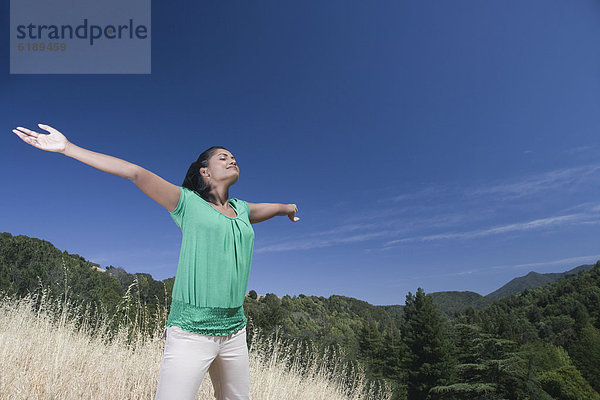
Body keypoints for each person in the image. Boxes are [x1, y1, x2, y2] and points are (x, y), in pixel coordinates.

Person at [12, 123, 299, 400]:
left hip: (235, 328)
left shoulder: (241, 209)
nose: (231, 160)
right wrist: (68, 148)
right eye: (222, 157)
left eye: (234, 157)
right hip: (191, 330)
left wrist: (288, 208)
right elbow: (135, 173)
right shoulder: (187, 203)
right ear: (205, 171)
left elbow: (268, 209)